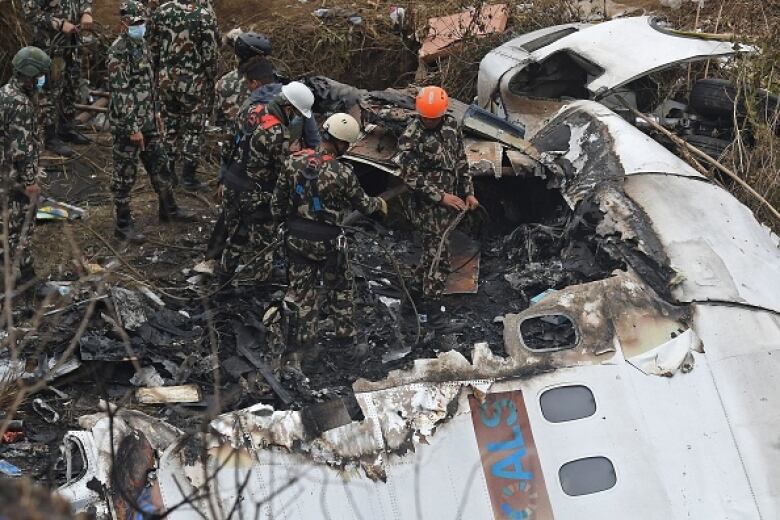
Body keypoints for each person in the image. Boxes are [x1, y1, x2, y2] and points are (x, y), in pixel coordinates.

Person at [272, 113, 387, 370]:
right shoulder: (343, 173)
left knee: (303, 293)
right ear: (343, 144)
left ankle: (307, 347)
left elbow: (277, 204)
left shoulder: (293, 162)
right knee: (341, 288)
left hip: (297, 241)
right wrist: (379, 203)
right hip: (329, 244)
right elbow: (364, 205)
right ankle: (346, 344)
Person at [108, 0, 195, 243]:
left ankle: (168, 209)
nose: (140, 27)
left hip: (149, 120)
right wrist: (133, 128)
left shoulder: (142, 45)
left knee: (161, 164)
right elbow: (121, 92)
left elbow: (149, 82)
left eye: (142, 23)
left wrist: (157, 113)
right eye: (135, 23)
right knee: (125, 175)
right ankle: (123, 225)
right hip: (129, 126)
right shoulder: (118, 52)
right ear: (124, 23)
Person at [397, 85, 480, 328]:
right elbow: (408, 176)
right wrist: (440, 196)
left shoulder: (451, 126)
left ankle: (409, 302)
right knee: (439, 260)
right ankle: (433, 314)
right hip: (427, 209)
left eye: (433, 118)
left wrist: (469, 193)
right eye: (426, 118)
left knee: (429, 257)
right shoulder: (411, 138)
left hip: (450, 206)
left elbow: (461, 162)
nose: (429, 121)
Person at [218, 80, 315, 284]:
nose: (296, 118)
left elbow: (227, 144)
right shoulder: (279, 133)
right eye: (296, 114)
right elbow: (283, 171)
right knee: (263, 245)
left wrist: (222, 178)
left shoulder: (251, 110)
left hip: (231, 184)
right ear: (288, 107)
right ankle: (259, 286)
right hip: (255, 195)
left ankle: (224, 278)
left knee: (235, 235)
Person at [150, 0, 218, 191]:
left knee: (169, 127)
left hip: (166, 81)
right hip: (193, 85)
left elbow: (153, 46)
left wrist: (158, 71)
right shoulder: (204, 15)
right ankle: (188, 177)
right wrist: (211, 78)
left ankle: (168, 173)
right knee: (193, 130)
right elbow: (210, 54)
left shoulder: (161, 11)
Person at [0, 47, 51, 291]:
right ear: (29, 75)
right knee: (20, 225)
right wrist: (31, 181)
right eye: (40, 74)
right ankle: (28, 279)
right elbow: (21, 150)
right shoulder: (20, 105)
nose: (43, 78)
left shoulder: (5, 93)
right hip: (13, 177)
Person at [21, 0, 93, 157]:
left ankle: (66, 128)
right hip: (50, 47)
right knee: (49, 90)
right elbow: (31, 13)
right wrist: (59, 24)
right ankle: (50, 136)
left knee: (71, 85)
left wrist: (86, 11)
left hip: (72, 44)